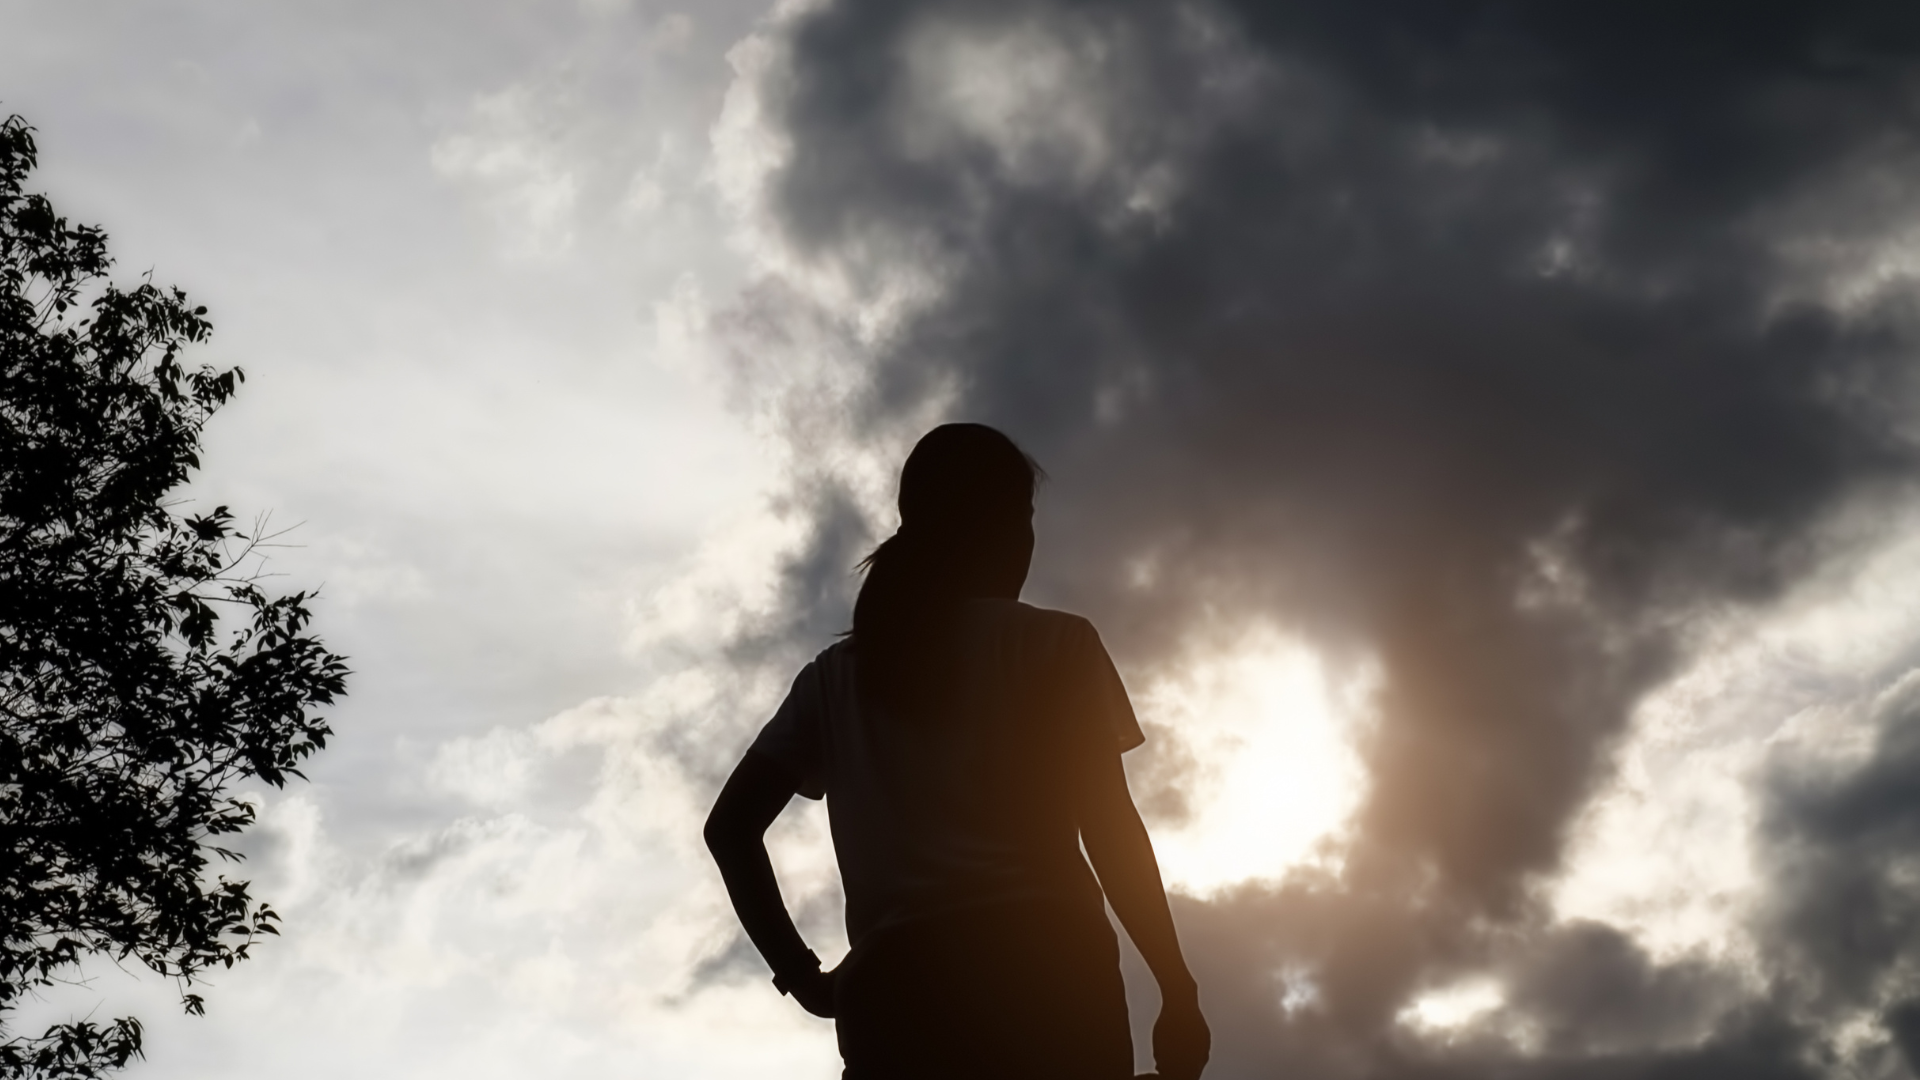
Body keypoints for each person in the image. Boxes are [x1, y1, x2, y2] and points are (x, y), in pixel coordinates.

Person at [704, 423, 1210, 1080]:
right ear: (996, 527)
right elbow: (1109, 826)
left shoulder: (834, 678)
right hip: (1048, 980)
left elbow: (730, 827)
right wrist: (1177, 987)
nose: (1030, 540)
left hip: (894, 999)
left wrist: (801, 974)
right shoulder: (1055, 645)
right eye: (1023, 517)